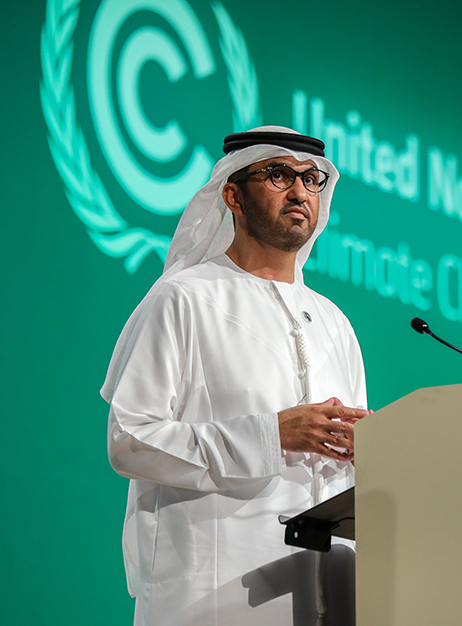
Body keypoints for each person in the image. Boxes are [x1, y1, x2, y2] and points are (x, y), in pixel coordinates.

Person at [100, 126, 369, 626]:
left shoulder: (335, 323)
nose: (298, 191)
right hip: (214, 591)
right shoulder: (184, 298)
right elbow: (130, 439)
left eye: (312, 179)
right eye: (277, 174)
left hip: (326, 593)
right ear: (232, 195)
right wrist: (272, 435)